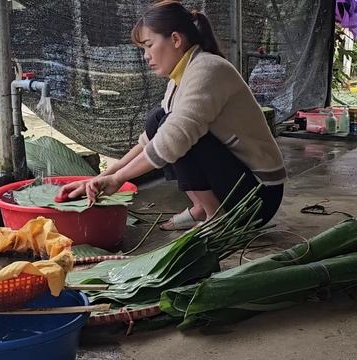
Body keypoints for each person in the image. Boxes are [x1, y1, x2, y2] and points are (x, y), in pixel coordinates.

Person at [57, 1, 286, 230]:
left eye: (149, 45)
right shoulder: (182, 75)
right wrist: (103, 177)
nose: (146, 56)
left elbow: (171, 140)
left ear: (176, 40)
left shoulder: (208, 69)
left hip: (258, 196)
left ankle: (216, 217)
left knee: (175, 133)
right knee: (157, 120)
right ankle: (201, 208)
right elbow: (150, 140)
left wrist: (118, 180)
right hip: (238, 184)